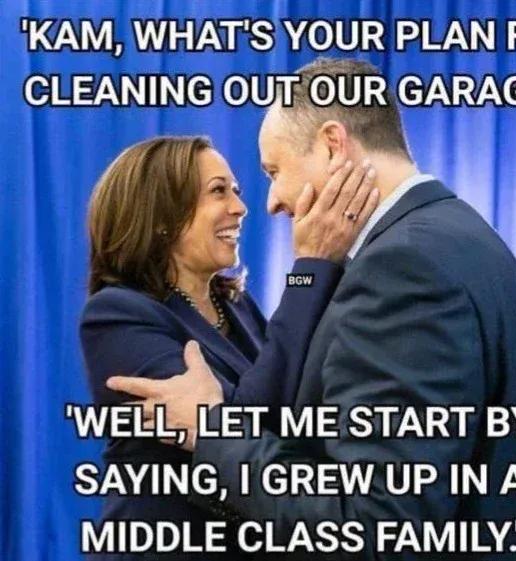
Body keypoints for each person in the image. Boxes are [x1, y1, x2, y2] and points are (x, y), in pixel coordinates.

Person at [108, 58, 516, 560]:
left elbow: (375, 528)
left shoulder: (402, 268)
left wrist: (212, 432)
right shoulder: (457, 232)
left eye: (274, 172)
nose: (271, 202)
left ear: (332, 144)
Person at [79, 134, 378, 559]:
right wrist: (309, 266)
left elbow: (275, 410)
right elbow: (239, 428)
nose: (240, 207)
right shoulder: (117, 315)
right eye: (218, 191)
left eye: (235, 191)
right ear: (162, 215)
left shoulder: (235, 304)